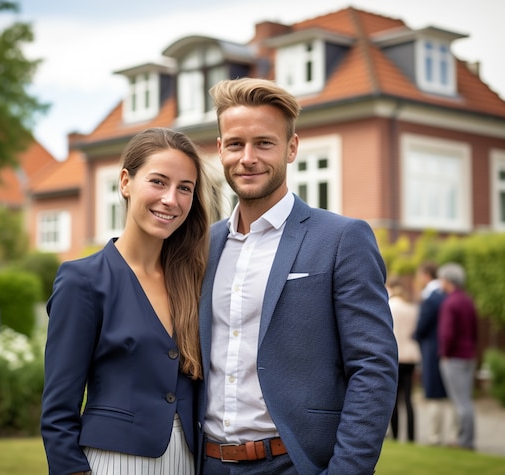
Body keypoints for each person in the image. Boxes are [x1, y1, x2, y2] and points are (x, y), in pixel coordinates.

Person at [197, 77, 398, 475]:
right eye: (235, 144)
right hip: (207, 463)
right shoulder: (203, 245)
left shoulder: (342, 238)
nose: (248, 157)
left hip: (294, 463)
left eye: (264, 143)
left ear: (291, 148)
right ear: (220, 149)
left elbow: (373, 365)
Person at [40, 127, 210, 475]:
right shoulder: (83, 280)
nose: (171, 200)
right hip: (116, 461)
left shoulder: (195, 280)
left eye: (184, 188)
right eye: (158, 182)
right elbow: (58, 408)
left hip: (192, 460)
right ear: (125, 182)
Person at [437, 262, 478, 450]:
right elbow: (475, 330)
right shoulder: (468, 300)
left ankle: (465, 441)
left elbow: (447, 333)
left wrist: (445, 354)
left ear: (448, 280)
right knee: (466, 400)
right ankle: (466, 438)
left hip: (454, 357)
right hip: (469, 355)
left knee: (461, 402)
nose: (440, 283)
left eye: (442, 279)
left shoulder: (450, 302)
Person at [413, 261, 450, 445]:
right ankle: (442, 435)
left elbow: (422, 326)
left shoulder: (432, 297)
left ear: (426, 274)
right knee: (442, 393)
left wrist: (415, 335)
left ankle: (435, 437)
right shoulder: (444, 295)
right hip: (443, 348)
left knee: (434, 392)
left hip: (431, 348)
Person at [387, 277, 421, 442]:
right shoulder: (412, 307)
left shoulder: (391, 306)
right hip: (411, 355)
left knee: (393, 398)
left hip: (396, 355)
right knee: (408, 398)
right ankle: (411, 436)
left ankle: (395, 435)